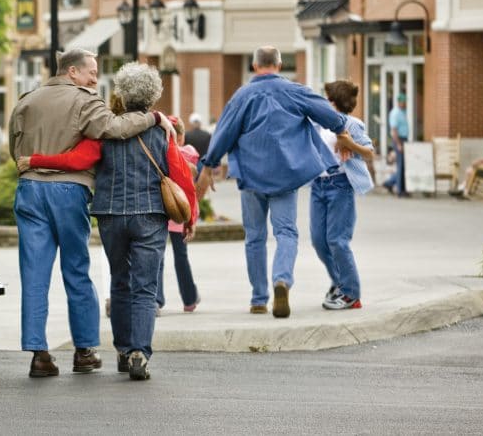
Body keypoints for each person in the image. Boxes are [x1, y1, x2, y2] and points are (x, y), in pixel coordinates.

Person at [19, 63, 198, 381]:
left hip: (112, 216)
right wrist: (190, 216)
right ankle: (139, 352)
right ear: (154, 95)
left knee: (120, 282)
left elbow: (77, 161)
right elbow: (180, 175)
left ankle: (121, 350)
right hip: (150, 215)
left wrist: (34, 161)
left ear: (121, 94)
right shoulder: (162, 131)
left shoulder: (102, 132)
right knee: (145, 287)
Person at [195, 45, 361, 319]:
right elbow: (331, 116)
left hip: (251, 176)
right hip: (286, 174)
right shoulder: (295, 90)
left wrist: (208, 166)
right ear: (280, 65)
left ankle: (258, 298)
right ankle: (281, 280)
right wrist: (342, 133)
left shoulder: (242, 96)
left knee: (255, 237)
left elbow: (224, 132)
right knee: (286, 233)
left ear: (254, 66)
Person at [311, 80, 374, 311]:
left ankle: (351, 294)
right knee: (319, 241)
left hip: (340, 185)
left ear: (333, 102)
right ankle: (339, 282)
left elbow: (369, 153)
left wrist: (349, 143)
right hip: (318, 185)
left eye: (326, 98)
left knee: (337, 240)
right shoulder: (318, 123)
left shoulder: (352, 124)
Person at [156, 116, 201, 313]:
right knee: (181, 257)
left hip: (160, 212)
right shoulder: (188, 155)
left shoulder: (158, 154)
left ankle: (156, 299)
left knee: (156, 257)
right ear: (180, 136)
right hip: (180, 214)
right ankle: (189, 299)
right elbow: (191, 188)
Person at [382, 93, 410, 197]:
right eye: (403, 101)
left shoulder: (403, 112)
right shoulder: (395, 113)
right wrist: (398, 144)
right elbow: (394, 130)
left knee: (403, 165)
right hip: (399, 140)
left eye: (405, 101)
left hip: (404, 139)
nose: (405, 103)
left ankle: (389, 183)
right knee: (400, 165)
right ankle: (400, 190)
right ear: (399, 102)